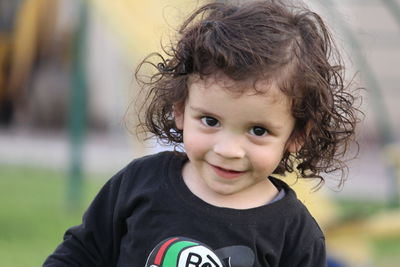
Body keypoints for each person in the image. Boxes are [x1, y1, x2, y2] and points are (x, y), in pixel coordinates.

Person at [43, 0, 360, 266]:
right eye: (210, 121)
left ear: (295, 136)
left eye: (258, 130)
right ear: (180, 109)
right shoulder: (140, 182)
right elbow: (81, 253)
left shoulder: (294, 232)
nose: (228, 149)